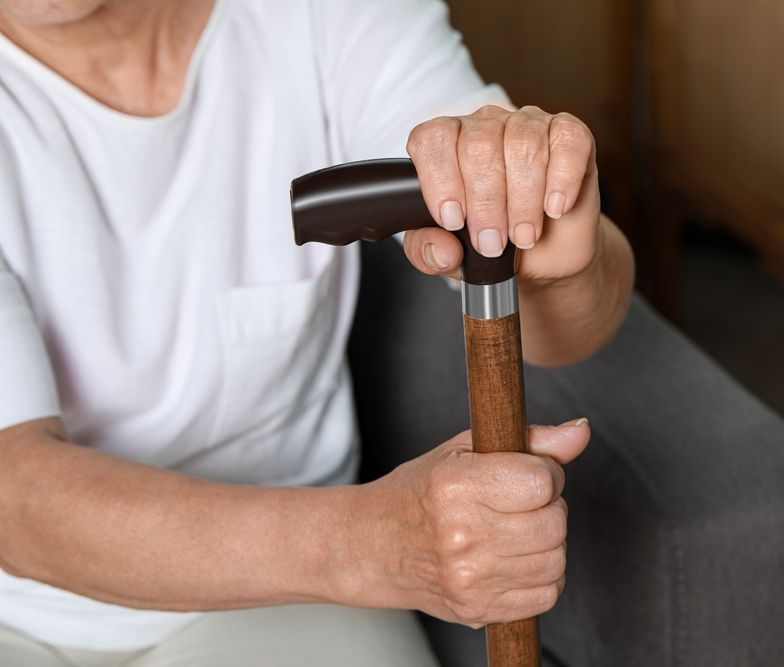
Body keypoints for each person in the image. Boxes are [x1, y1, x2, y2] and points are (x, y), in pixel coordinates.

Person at [0, 0, 637, 664]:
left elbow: (573, 320)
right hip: (19, 608)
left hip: (286, 601)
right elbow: (15, 494)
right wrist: (377, 543)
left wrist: (557, 261)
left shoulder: (325, 15)